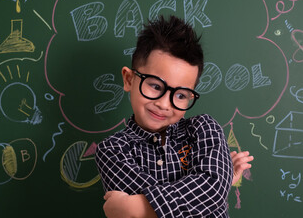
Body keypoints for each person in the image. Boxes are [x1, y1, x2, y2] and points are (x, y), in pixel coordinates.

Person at [95, 15, 254, 218]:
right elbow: (211, 192)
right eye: (155, 86)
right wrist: (212, 191)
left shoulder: (204, 128)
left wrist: (136, 208)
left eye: (180, 95)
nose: (164, 104)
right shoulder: (112, 151)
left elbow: (212, 189)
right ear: (129, 79)